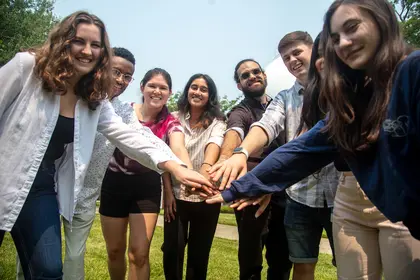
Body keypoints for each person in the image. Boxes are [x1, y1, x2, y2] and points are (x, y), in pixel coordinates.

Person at [207, 0, 420, 278]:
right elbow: (297, 148)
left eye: (352, 27)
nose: (344, 43)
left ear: (382, 22)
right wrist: (237, 174)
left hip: (386, 209)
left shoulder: (412, 72)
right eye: (335, 39)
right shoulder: (348, 105)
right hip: (321, 199)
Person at [0, 11, 211, 280]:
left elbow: (130, 136)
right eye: (79, 41)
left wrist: (176, 167)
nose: (87, 51)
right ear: (64, 41)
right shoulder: (27, 68)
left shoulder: (94, 98)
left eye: (96, 45)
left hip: (41, 184)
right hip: (4, 170)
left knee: (48, 270)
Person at [210, 32, 338, 280]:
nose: (292, 60)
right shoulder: (279, 100)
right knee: (297, 264)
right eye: (286, 57)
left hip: (340, 193)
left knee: (349, 266)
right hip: (299, 196)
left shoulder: (340, 87)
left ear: (315, 50)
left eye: (297, 52)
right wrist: (240, 153)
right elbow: (261, 127)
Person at [99, 68, 192, 280]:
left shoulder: (171, 123)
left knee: (138, 254)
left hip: (146, 188)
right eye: (152, 85)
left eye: (163, 88)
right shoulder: (123, 112)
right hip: (113, 184)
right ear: (142, 87)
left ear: (169, 93)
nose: (157, 91)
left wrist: (186, 172)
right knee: (114, 251)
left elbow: (177, 148)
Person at [213, 59, 291, 280]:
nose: (252, 76)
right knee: (250, 257)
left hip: (285, 189)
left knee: (282, 258)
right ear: (239, 85)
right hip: (253, 191)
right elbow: (234, 130)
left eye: (256, 72)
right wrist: (227, 158)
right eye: (245, 75)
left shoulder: (282, 105)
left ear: (264, 75)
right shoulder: (241, 110)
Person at [162, 74, 226, 280]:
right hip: (177, 197)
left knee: (199, 255)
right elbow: (163, 156)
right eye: (194, 87)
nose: (197, 92)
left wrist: (202, 175)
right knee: (173, 249)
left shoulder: (218, 121)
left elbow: (213, 146)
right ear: (187, 90)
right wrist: (168, 193)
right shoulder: (172, 117)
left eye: (204, 89)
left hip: (206, 196)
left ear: (210, 95)